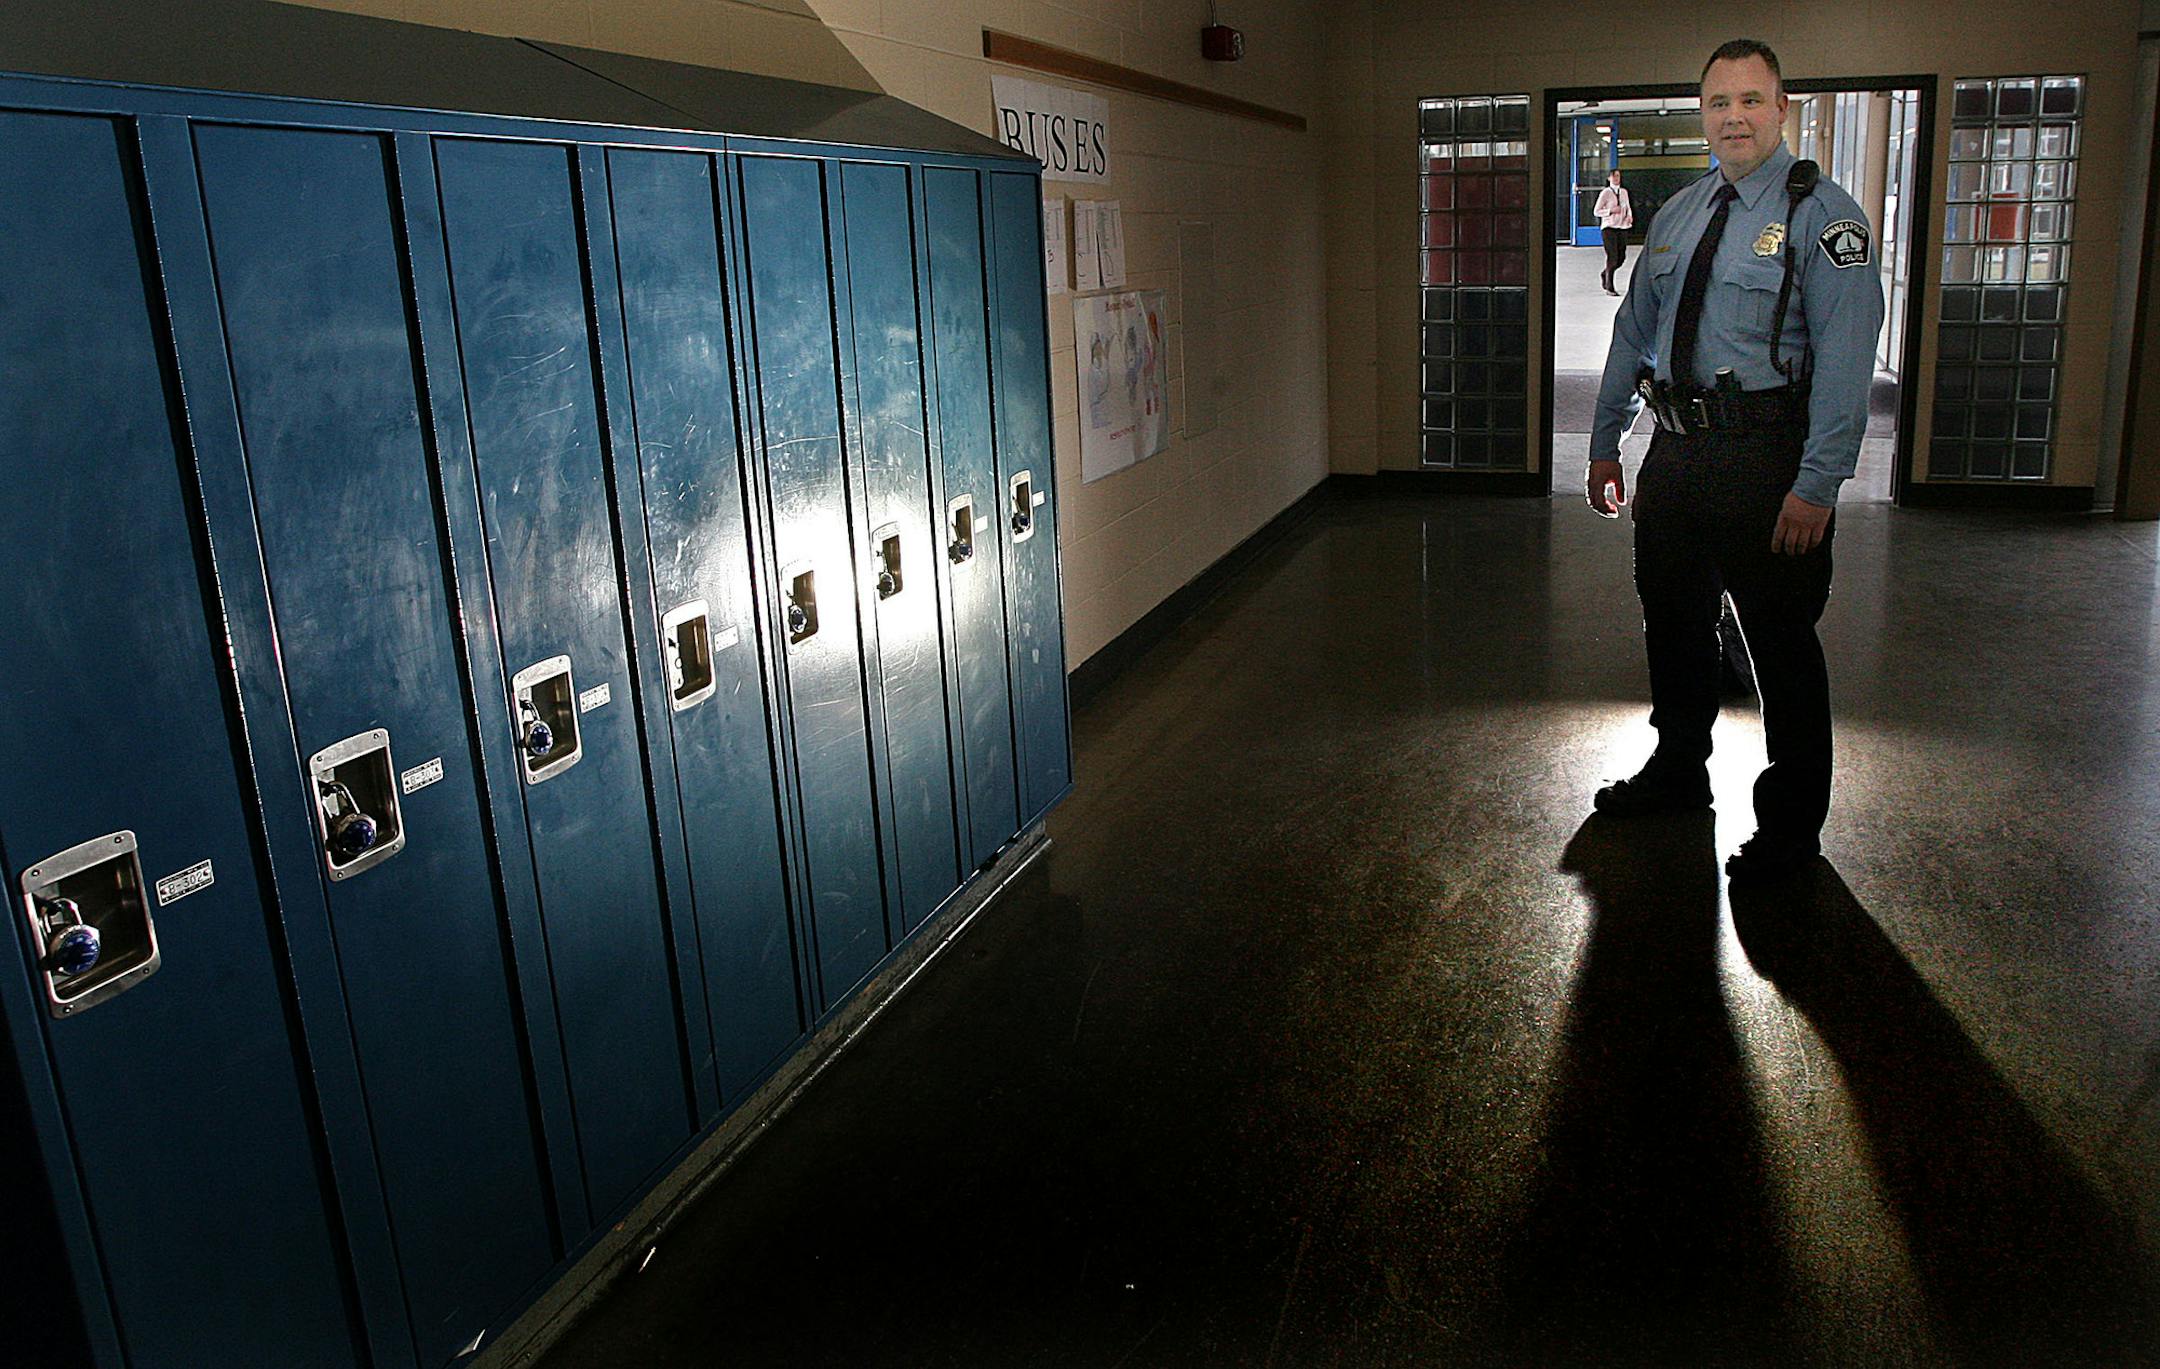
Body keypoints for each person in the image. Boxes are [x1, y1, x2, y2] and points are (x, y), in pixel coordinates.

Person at [1583, 38, 1884, 883]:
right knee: (1673, 625)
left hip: (1766, 460)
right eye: (1719, 103)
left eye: (1752, 100)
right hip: (1675, 456)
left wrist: (1817, 485)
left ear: (1781, 108)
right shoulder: (1679, 214)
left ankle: (1791, 830)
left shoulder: (1828, 220)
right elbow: (1631, 332)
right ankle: (1678, 770)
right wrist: (1607, 440)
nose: (1735, 117)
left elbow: (1846, 363)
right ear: (1702, 114)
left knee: (1782, 646)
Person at [1594, 168, 1633, 295]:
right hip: (1609, 227)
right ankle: (1609, 286)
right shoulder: (1605, 193)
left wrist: (1629, 216)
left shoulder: (1624, 192)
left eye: (1618, 176)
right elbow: (1596, 211)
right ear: (1609, 178)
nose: (1616, 178)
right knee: (1612, 257)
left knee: (1621, 257)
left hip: (1622, 227)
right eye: (1614, 176)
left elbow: (1627, 205)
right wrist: (1610, 211)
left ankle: (1605, 273)